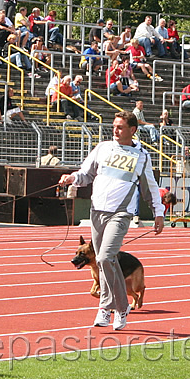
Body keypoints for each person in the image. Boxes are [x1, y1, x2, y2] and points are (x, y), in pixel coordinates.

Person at [58, 111, 165, 330]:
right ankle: (113, 308)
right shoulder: (103, 148)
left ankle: (112, 306)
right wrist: (72, 178)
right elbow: (86, 174)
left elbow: (150, 187)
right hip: (97, 211)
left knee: (106, 257)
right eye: (114, 126)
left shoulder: (141, 155)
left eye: (120, 127)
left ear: (132, 130)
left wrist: (159, 212)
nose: (115, 130)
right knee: (105, 261)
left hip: (121, 213)